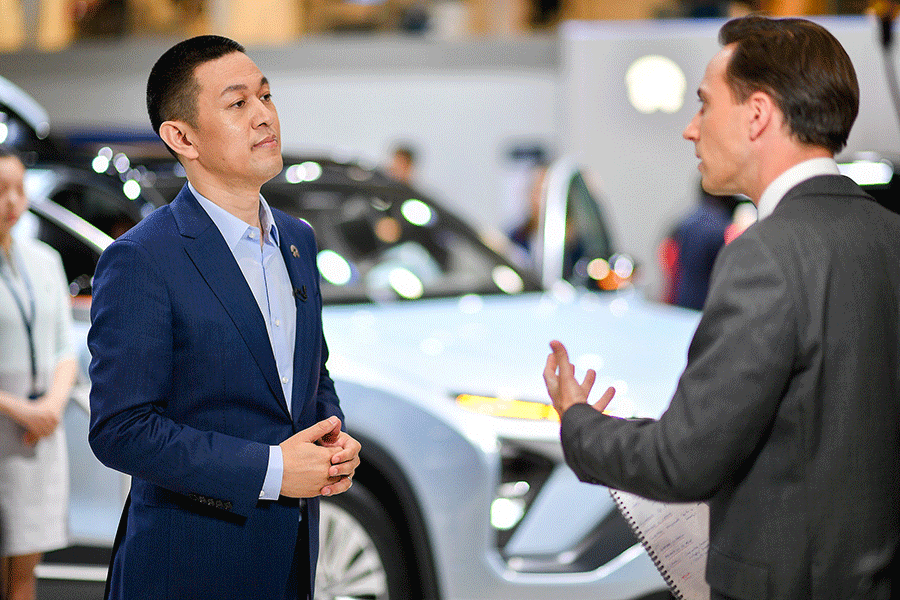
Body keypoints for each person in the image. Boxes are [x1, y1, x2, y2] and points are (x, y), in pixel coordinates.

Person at [544, 15, 899, 600]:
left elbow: (683, 460)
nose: (691, 129)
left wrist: (579, 423)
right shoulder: (889, 236)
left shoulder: (766, 256)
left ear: (757, 115)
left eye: (705, 104)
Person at [87, 36, 361, 600]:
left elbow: (310, 373)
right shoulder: (143, 258)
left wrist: (332, 438)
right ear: (182, 137)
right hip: (188, 565)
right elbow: (121, 429)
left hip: (291, 558)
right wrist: (272, 469)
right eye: (238, 103)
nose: (263, 115)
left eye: (266, 95)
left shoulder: (298, 240)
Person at [0, 146, 77, 600]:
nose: (12, 200)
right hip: (5, 424)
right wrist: (21, 411)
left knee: (26, 576)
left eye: (18, 188)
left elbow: (65, 347)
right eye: (0, 190)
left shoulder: (45, 260)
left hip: (41, 433)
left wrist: (50, 407)